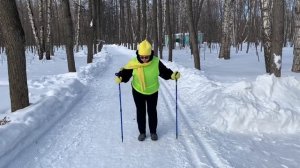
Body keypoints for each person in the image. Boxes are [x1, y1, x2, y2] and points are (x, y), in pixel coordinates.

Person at [115, 39, 180, 141]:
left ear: (150, 54)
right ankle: (142, 132)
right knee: (140, 111)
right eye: (142, 57)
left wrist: (172, 75)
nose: (144, 59)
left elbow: (165, 72)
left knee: (152, 111)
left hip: (152, 91)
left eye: (146, 57)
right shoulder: (133, 62)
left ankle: (153, 132)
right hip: (138, 91)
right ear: (138, 54)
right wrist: (121, 78)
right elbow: (126, 73)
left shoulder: (156, 62)